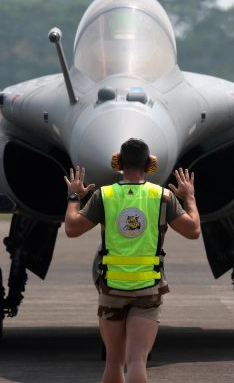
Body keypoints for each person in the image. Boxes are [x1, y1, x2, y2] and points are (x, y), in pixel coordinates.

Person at [64, 138, 201, 383]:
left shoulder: (104, 196)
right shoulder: (163, 197)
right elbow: (193, 231)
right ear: (149, 164)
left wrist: (74, 195)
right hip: (148, 289)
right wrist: (189, 197)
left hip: (112, 288)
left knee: (113, 362)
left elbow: (72, 229)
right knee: (137, 361)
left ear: (118, 162)